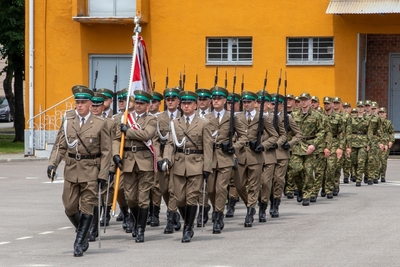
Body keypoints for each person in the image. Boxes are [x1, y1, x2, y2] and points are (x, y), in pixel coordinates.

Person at [47, 85, 111, 257]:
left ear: (91, 103)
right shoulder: (68, 120)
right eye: (77, 102)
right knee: (69, 206)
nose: (79, 105)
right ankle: (83, 231)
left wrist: (103, 174)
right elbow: (61, 145)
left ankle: (79, 241)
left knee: (87, 206)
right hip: (71, 170)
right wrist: (53, 164)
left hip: (91, 171)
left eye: (83, 102)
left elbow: (106, 151)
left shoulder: (100, 123)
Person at [163, 90, 213, 243]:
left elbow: (208, 147)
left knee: (192, 197)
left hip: (196, 163)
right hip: (179, 164)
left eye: (189, 103)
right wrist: (166, 159)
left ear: (195, 105)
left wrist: (207, 167)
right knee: (180, 199)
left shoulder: (203, 123)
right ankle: (188, 221)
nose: (186, 106)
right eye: (184, 103)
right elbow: (170, 143)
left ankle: (188, 228)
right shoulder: (175, 123)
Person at [112, 90, 157, 243]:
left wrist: (128, 131)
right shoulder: (125, 118)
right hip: (128, 161)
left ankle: (140, 229)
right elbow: (116, 139)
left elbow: (146, 135)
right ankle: (137, 221)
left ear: (147, 106)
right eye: (137, 102)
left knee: (143, 198)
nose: (138, 105)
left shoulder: (151, 120)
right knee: (131, 197)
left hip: (144, 161)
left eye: (141, 103)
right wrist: (115, 154)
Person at [205, 86, 247, 233]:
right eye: (214, 98)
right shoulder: (206, 118)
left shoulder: (232, 117)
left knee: (221, 188)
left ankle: (218, 215)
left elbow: (244, 136)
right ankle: (216, 207)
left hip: (225, 157)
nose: (216, 101)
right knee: (210, 190)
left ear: (224, 101)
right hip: (209, 157)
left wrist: (234, 147)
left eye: (219, 99)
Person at [234, 91, 278, 227]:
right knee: (239, 185)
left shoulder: (262, 118)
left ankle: (250, 211)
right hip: (241, 154)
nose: (246, 104)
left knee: (254, 185)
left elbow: (274, 136)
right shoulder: (237, 117)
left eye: (249, 102)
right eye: (244, 102)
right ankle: (251, 203)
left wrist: (263, 146)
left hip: (255, 155)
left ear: (255, 103)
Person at [287, 92, 324, 206]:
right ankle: (300, 188)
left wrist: (314, 145)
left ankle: (306, 194)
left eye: (305, 100)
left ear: (310, 102)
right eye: (301, 100)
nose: (303, 102)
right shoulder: (294, 114)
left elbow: (321, 132)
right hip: (298, 145)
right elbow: (289, 131)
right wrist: (289, 144)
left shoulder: (317, 115)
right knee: (295, 169)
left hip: (310, 145)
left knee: (308, 171)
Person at [270, 94, 301, 217]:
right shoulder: (264, 117)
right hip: (267, 153)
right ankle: (268, 200)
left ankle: (275, 204)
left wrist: (290, 143)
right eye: (272, 104)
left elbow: (298, 134)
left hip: (282, 153)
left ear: (281, 106)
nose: (274, 106)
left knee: (278, 180)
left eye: (277, 104)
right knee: (267, 181)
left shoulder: (287, 118)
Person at [156, 88, 182, 234]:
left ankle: (170, 219)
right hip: (161, 157)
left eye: (173, 99)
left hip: (178, 157)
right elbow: (154, 138)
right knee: (164, 188)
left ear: (178, 101)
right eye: (168, 99)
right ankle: (175, 213)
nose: (170, 102)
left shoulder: (184, 116)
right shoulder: (159, 118)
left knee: (173, 189)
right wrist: (159, 158)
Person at [195, 88, 213, 226]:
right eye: (199, 99)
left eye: (204, 99)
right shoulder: (192, 115)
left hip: (211, 155)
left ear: (209, 101)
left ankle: (203, 207)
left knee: (207, 187)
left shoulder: (214, 116)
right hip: (194, 156)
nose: (201, 102)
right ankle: (202, 207)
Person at [146, 91, 164, 227]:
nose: (152, 105)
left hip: (158, 153)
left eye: (155, 102)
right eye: (150, 102)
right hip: (143, 154)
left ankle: (155, 213)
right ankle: (145, 212)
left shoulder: (162, 118)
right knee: (144, 185)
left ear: (159, 103)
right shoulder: (141, 118)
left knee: (156, 185)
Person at [225, 92, 242, 218]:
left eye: (233, 103)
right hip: (224, 151)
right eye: (229, 103)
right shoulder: (223, 116)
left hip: (238, 150)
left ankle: (231, 204)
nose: (230, 105)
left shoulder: (240, 117)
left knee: (233, 180)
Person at [349, 101, 372, 186]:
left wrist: (369, 143)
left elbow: (370, 132)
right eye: (359, 107)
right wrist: (348, 143)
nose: (360, 108)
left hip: (363, 141)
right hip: (353, 141)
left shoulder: (367, 119)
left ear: (364, 108)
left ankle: (359, 179)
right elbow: (349, 131)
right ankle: (355, 174)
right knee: (354, 161)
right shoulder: (352, 118)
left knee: (361, 161)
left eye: (362, 107)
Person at [378, 107, 394, 182]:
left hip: (386, 143)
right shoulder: (376, 123)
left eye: (383, 112)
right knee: (377, 160)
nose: (381, 113)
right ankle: (376, 174)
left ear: (385, 114)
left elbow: (391, 133)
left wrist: (391, 141)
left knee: (383, 161)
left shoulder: (388, 123)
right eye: (380, 112)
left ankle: (383, 175)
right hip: (378, 143)